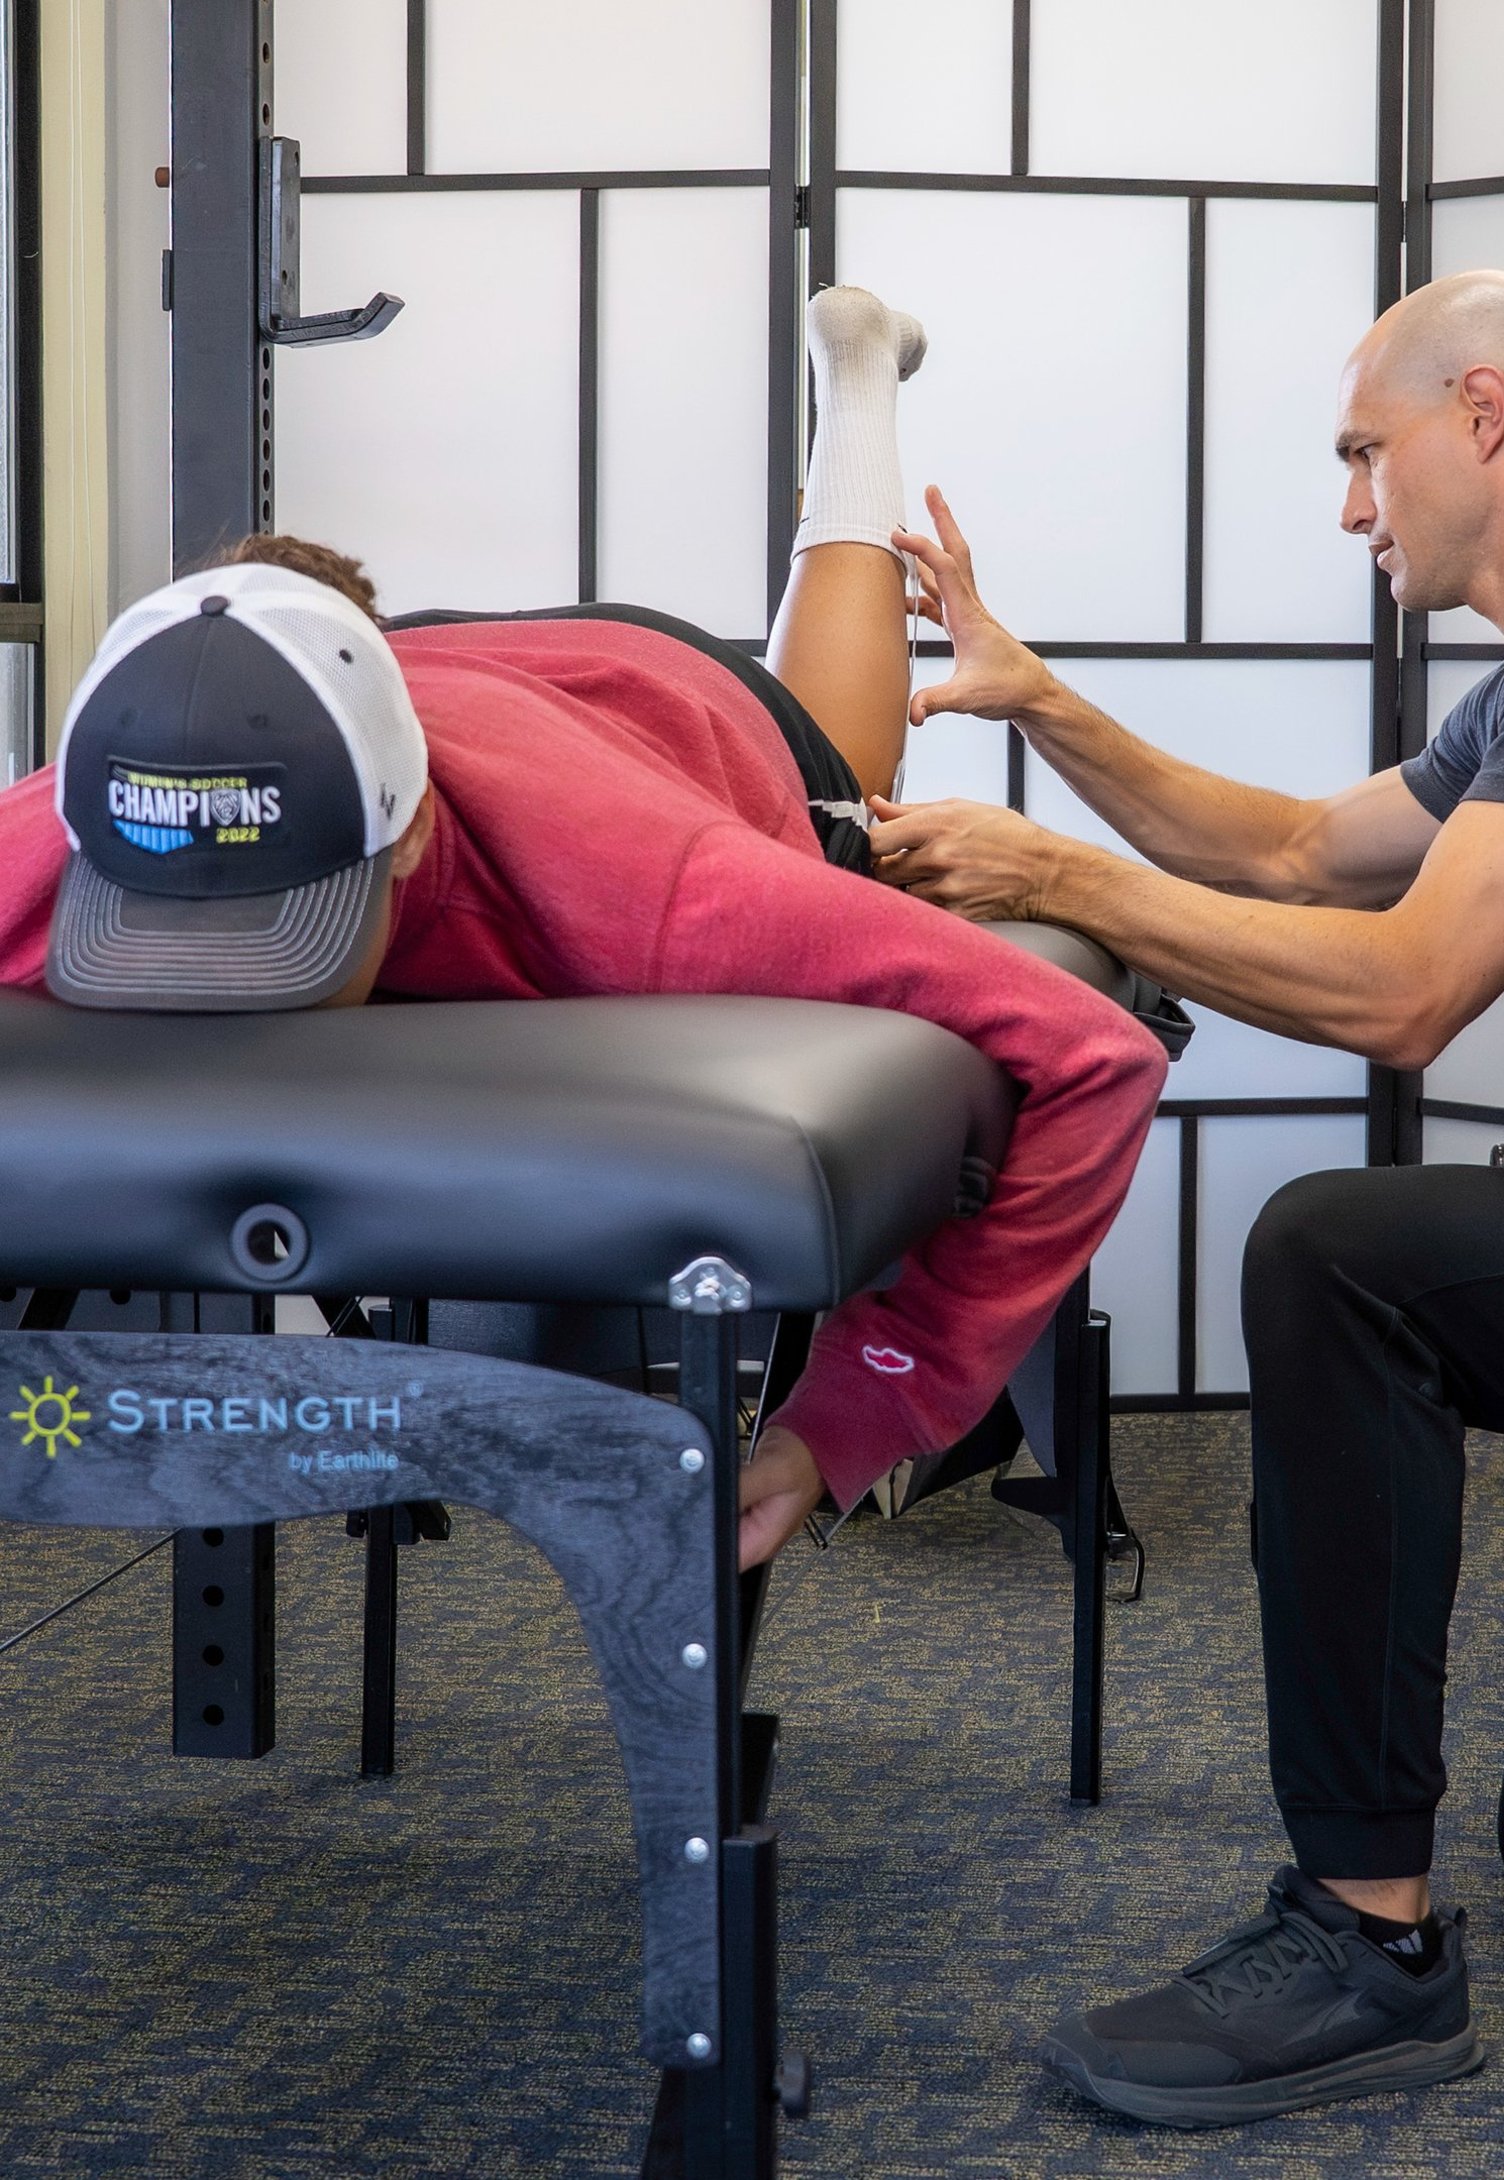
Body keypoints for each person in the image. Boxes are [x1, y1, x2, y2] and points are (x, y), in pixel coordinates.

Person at [870, 269, 1504, 2126]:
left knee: (1341, 1257)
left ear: (1485, 415)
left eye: (1368, 451)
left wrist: (1058, 875)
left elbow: (1406, 988)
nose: (1354, 504)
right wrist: (1053, 715)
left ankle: (1366, 1940)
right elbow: (1292, 853)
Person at [0, 287, 1167, 1569]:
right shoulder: (81, 814)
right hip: (387, 666)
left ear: (410, 840)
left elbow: (1094, 1057)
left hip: (665, 699)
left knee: (846, 751)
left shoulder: (661, 889)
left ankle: (863, 381)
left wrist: (851, 1415)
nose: (225, 995)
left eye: (279, 938)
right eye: (163, 927)